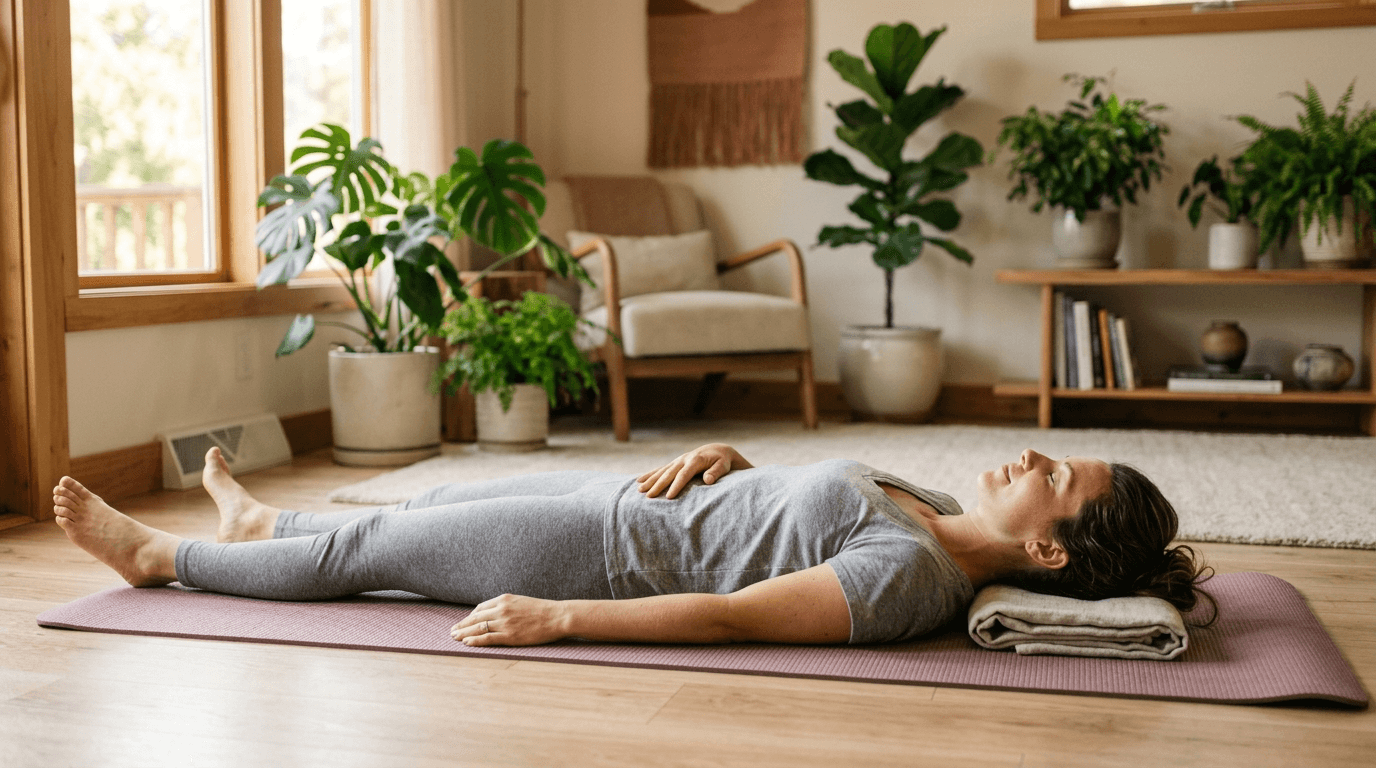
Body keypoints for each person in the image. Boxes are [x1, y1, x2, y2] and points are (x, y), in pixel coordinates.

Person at [50, 442, 1213, 647]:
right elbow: (783, 525)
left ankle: (160, 560)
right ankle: (260, 525)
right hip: (621, 502)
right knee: (404, 520)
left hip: (597, 557)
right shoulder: (923, 509)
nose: (1030, 462)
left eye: (1053, 481)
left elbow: (730, 614)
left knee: (373, 557)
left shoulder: (908, 578)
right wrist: (734, 463)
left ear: (1052, 555)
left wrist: (559, 618)